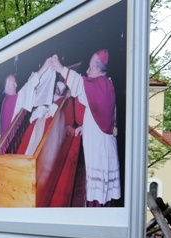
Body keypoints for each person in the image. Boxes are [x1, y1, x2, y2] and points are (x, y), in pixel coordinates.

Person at [51, 50, 120, 207]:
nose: (87, 71)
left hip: (99, 149)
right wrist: (84, 126)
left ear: (97, 69)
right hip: (99, 141)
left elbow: (79, 83)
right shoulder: (104, 85)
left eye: (89, 67)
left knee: (98, 196)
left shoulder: (101, 85)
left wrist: (61, 68)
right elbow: (96, 112)